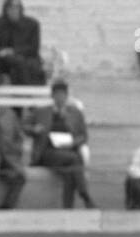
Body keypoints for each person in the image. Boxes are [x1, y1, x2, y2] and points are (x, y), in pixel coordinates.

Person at [23, 78, 94, 209]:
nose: (60, 98)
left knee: (70, 170)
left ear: (66, 96)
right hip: (48, 151)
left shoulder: (75, 113)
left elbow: (83, 136)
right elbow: (24, 126)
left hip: (68, 150)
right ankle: (84, 194)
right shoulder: (42, 112)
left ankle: (68, 207)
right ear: (53, 96)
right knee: (75, 160)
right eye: (57, 95)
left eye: (62, 95)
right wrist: (34, 129)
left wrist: (73, 143)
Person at [0, 0, 43, 85]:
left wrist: (12, 51)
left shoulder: (32, 24)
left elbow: (34, 48)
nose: (14, 11)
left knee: (23, 64)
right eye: (11, 8)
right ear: (6, 9)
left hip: (25, 57)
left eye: (17, 7)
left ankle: (26, 91)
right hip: (2, 60)